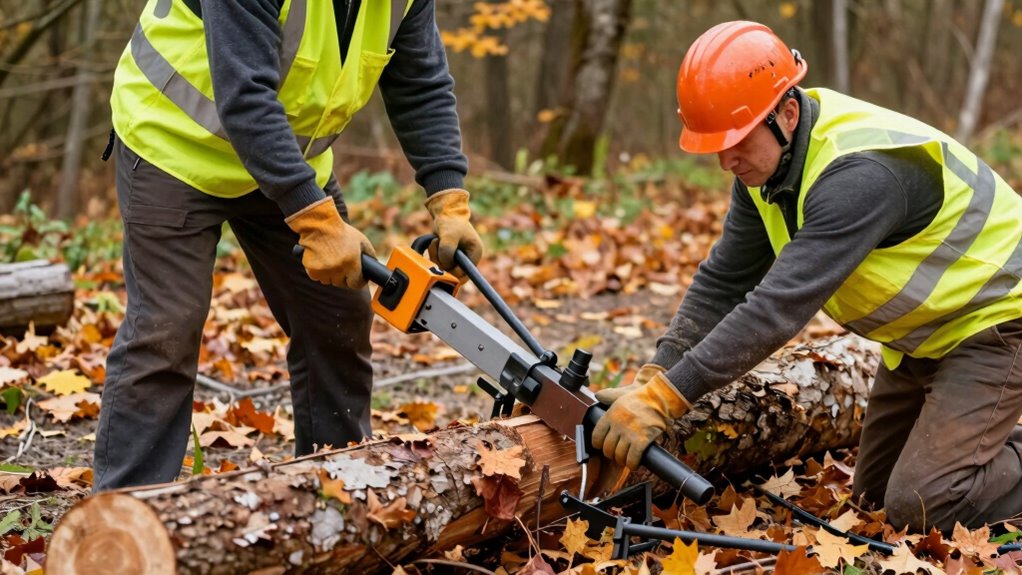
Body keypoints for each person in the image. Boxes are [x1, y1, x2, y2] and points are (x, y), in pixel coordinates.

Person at [592, 20, 1022, 532]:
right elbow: (725, 281)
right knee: (876, 498)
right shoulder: (768, 166)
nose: (726, 160)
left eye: (737, 141)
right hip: (924, 338)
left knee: (924, 504)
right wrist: (654, 376)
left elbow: (776, 308)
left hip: (997, 322)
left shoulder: (859, 176)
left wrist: (667, 400)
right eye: (716, 146)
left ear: (787, 114)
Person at [93, 0, 483, 490]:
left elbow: (420, 83)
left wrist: (448, 197)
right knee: (167, 325)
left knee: (336, 314)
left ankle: (336, 490)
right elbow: (245, 95)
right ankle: (124, 513)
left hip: (283, 161)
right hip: (174, 145)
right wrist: (316, 220)